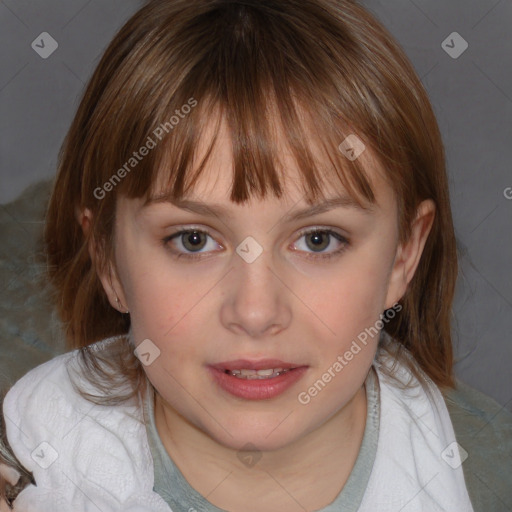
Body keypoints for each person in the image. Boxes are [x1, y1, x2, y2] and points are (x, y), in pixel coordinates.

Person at [1, 0, 511, 510]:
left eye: (318, 239)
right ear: (109, 262)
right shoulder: (42, 451)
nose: (255, 312)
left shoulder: (478, 472)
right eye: (194, 240)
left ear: (404, 256)